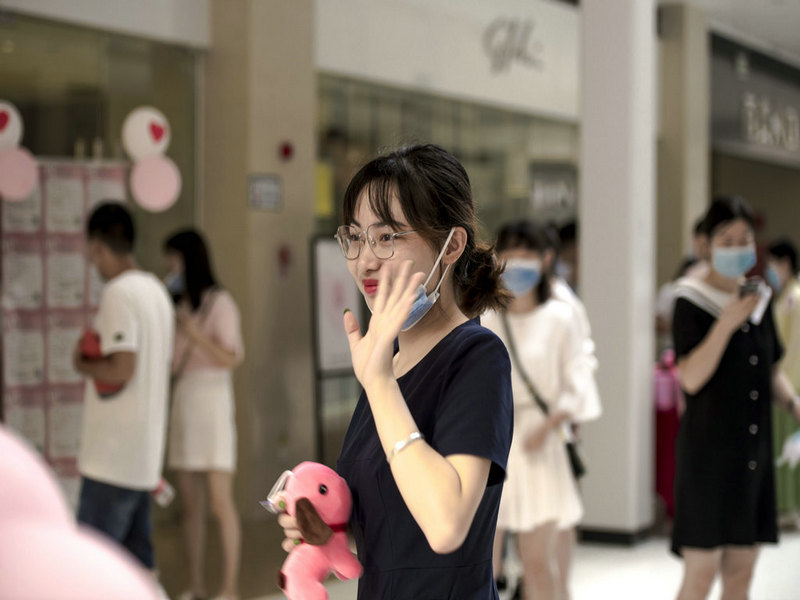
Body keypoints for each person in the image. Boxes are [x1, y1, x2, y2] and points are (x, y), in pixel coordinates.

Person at [278, 143, 514, 599]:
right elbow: (392, 534)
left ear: (452, 246)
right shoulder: (388, 363)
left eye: (387, 237)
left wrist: (379, 382)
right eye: (355, 237)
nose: (364, 260)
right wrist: (329, 535)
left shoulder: (476, 356)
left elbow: (445, 526)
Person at [671, 196, 800, 600]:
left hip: (752, 452)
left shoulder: (759, 296)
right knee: (700, 574)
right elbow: (691, 378)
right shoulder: (689, 299)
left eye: (745, 239)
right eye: (726, 240)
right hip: (708, 457)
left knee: (741, 572)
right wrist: (727, 323)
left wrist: (794, 404)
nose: (738, 248)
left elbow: (771, 370)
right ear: (705, 244)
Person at [483, 220, 591, 600]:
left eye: (526, 254)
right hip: (494, 441)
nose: (517, 263)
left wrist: (548, 425)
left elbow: (578, 382)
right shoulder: (488, 317)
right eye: (509, 254)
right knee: (482, 564)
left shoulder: (561, 317)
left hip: (539, 444)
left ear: (544, 260)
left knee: (537, 564)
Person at [73, 202, 175, 572]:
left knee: (91, 572)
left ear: (98, 247)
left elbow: (122, 368)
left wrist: (81, 362)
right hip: (142, 456)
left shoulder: (119, 292)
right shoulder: (157, 291)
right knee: (137, 569)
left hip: (111, 459)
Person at [163, 229, 245, 600]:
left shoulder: (220, 303)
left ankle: (229, 587)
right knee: (190, 504)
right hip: (184, 399)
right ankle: (194, 584)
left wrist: (195, 334)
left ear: (189, 259)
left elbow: (231, 358)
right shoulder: (176, 305)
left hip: (212, 401)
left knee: (219, 501)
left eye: (173, 258)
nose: (170, 266)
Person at [766, 238, 800, 526]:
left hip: (790, 382)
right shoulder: (783, 297)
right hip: (781, 380)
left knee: (789, 449)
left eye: (772, 264)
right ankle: (782, 505)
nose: (770, 270)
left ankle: (790, 508)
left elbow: (795, 347)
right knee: (781, 447)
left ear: (785, 263)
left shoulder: (795, 298)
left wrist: (787, 383)